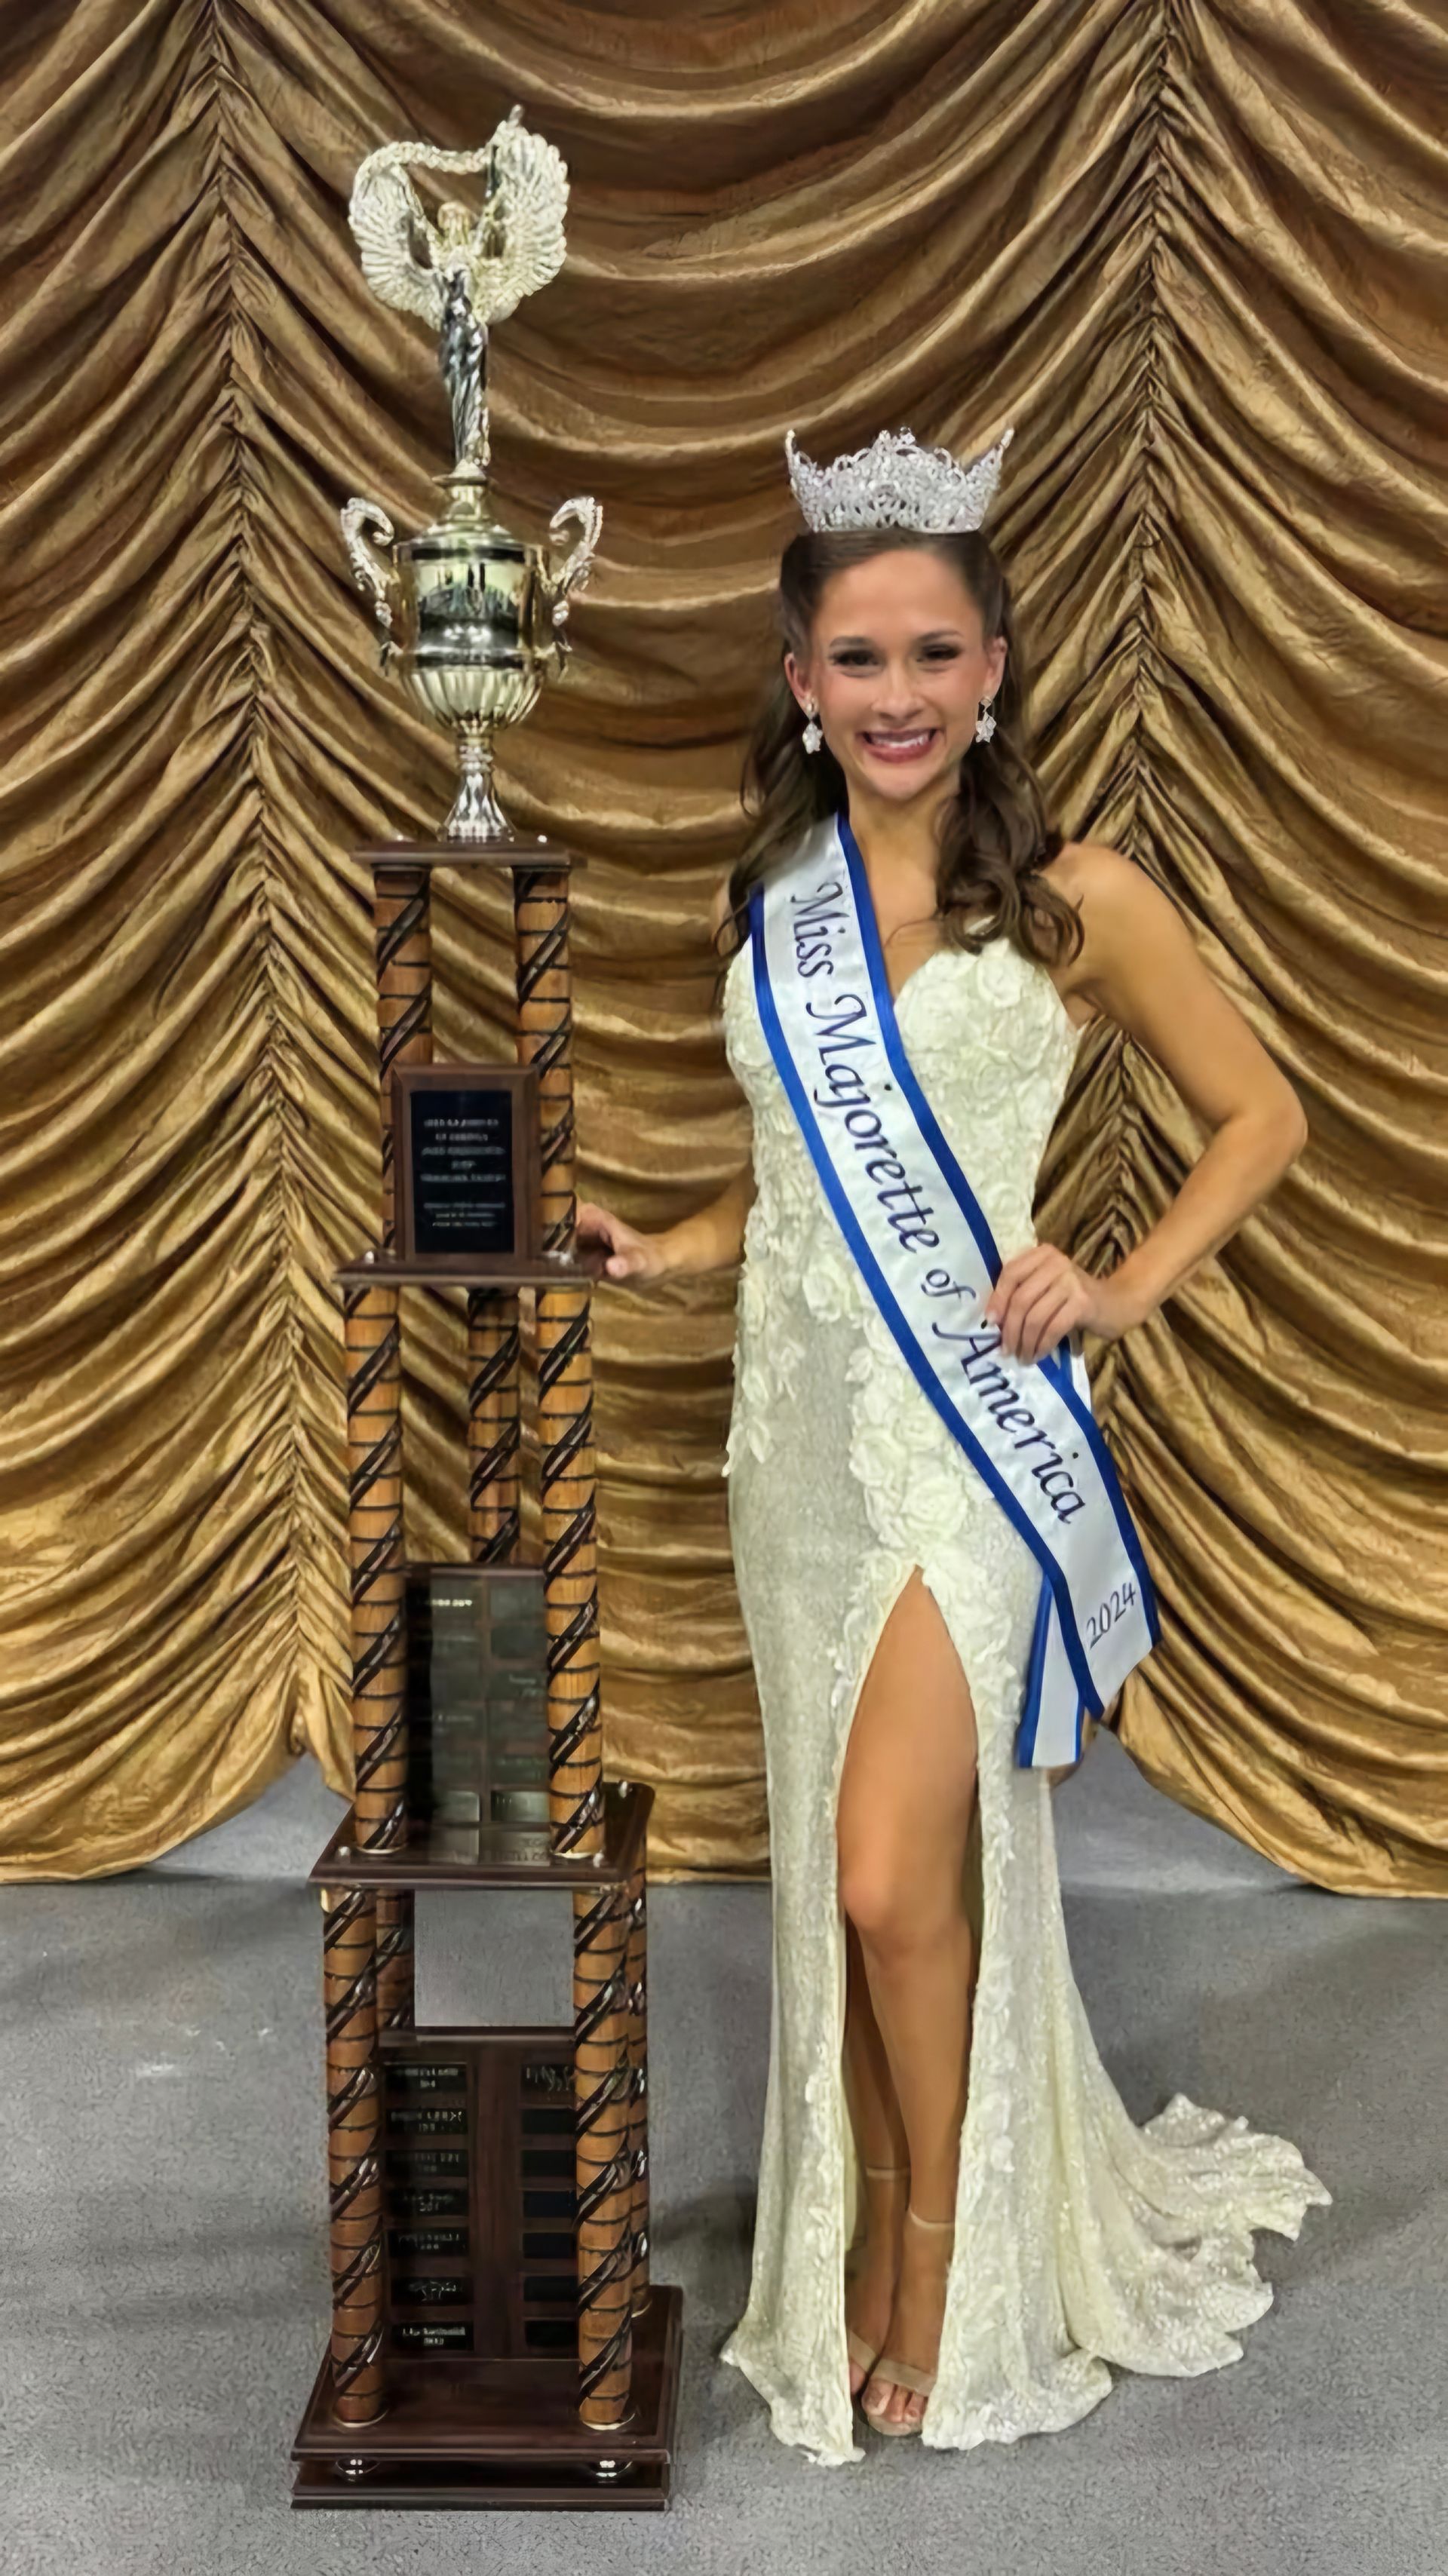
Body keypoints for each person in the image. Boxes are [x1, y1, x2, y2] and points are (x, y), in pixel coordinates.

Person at [577, 424, 1331, 2464]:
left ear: (996, 668)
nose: (899, 694)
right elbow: (788, 1185)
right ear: (801, 685)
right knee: (861, 1884)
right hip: (795, 1446)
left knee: (894, 1876)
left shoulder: (1080, 896)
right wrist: (672, 1253)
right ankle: (888, 2212)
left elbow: (1262, 1120)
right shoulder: (784, 902)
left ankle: (924, 2256)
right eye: (859, 659)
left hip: (970, 1448)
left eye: (934, 653)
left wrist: (1117, 1283)